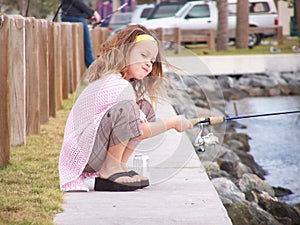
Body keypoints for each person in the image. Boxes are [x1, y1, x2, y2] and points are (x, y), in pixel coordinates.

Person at [58, 24, 193, 192]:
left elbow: (133, 126)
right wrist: (173, 122)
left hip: (95, 150)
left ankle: (119, 166)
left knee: (144, 108)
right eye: (143, 55)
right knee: (127, 109)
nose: (148, 64)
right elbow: (139, 130)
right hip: (84, 153)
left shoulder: (123, 83)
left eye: (151, 61)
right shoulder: (115, 84)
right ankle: (110, 169)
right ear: (125, 53)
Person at [60, 0, 101, 68]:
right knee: (87, 47)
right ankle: (94, 70)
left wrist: (89, 16)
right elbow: (78, 2)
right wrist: (93, 13)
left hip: (67, 16)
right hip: (75, 18)